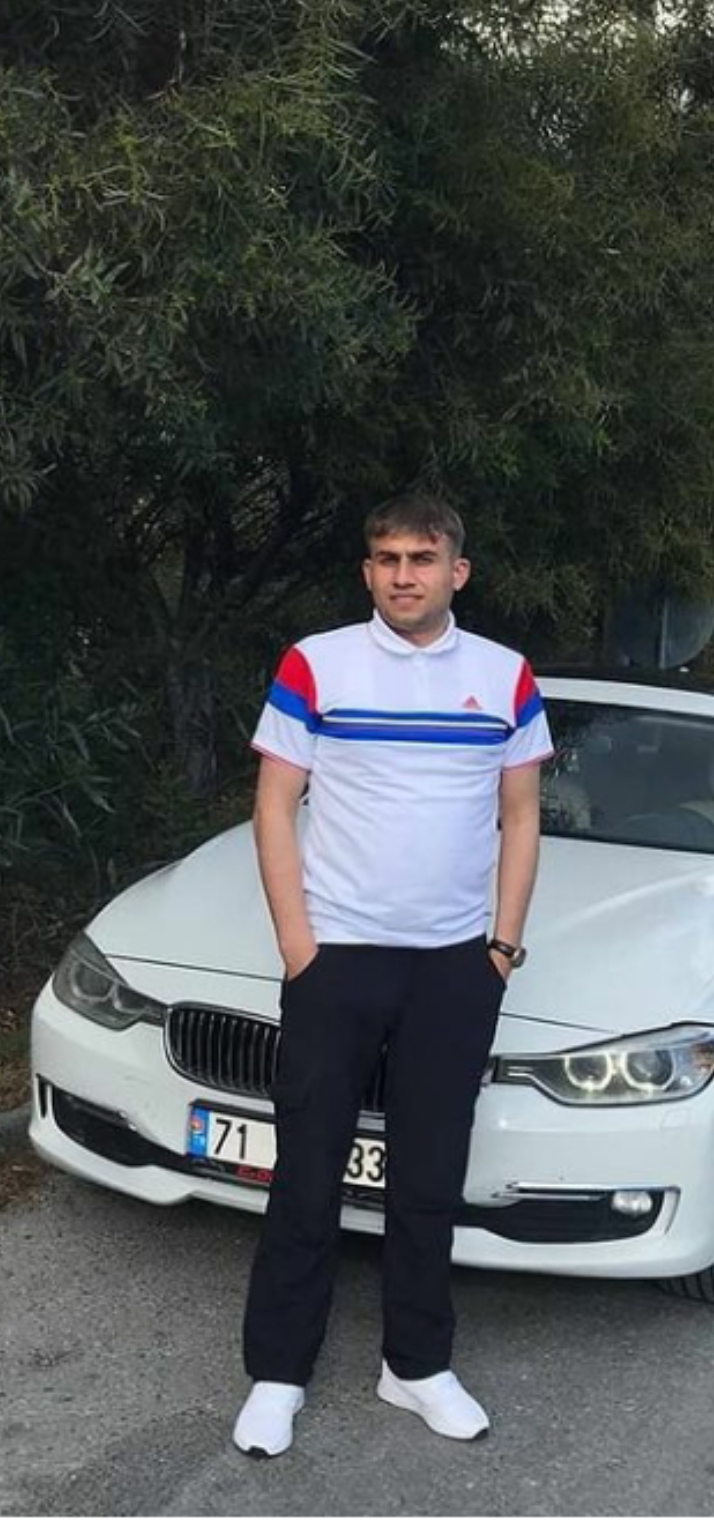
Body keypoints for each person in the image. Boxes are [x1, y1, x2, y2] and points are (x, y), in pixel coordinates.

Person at [233, 492, 552, 1458]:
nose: (403, 574)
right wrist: (299, 946)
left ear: (458, 570)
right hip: (337, 958)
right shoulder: (316, 663)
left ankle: (415, 1365)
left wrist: (500, 949)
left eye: (422, 557)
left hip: (454, 966)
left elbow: (522, 815)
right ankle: (278, 1374)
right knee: (308, 1170)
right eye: (386, 558)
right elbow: (275, 805)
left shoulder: (504, 675)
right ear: (368, 571)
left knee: (428, 1177)